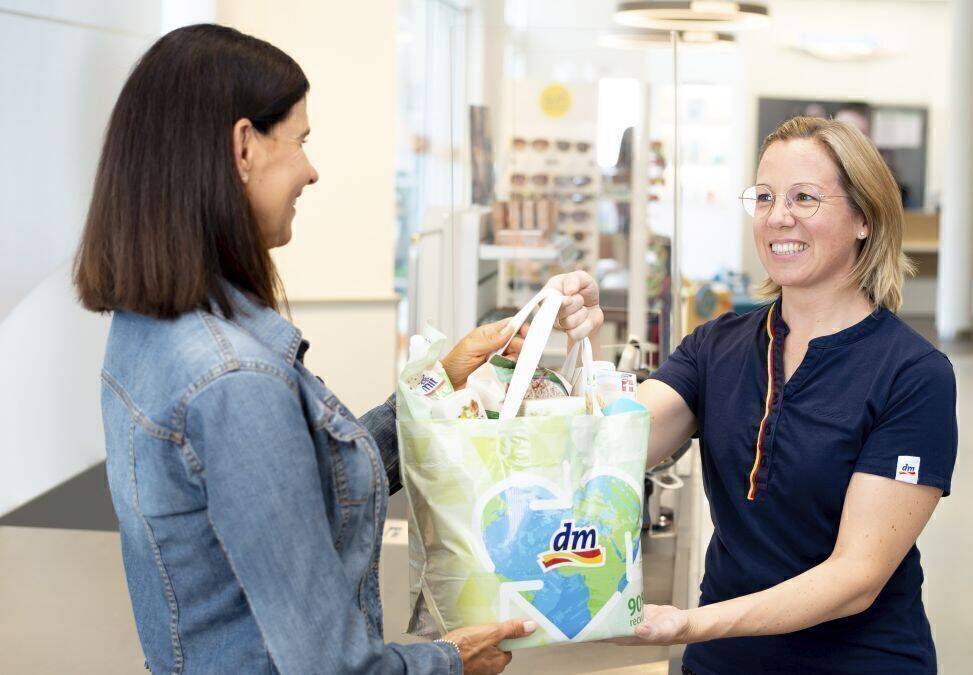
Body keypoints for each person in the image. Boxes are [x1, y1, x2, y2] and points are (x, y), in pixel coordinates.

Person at [72, 24, 602, 674]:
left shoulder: (152, 328)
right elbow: (334, 666)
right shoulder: (235, 378)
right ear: (244, 147)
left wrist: (441, 380)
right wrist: (449, 659)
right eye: (300, 141)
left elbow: (305, 486)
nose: (311, 170)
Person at [623, 116, 958, 673]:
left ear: (865, 218)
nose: (778, 217)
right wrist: (560, 362)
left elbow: (856, 578)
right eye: (765, 197)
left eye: (805, 197)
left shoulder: (913, 375)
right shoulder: (716, 346)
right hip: (723, 663)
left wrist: (691, 625)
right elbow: (619, 441)